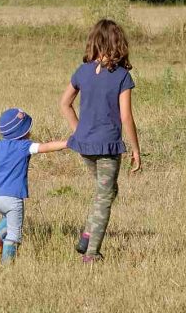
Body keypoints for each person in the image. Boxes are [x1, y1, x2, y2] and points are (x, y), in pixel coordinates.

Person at [59, 19, 141, 264]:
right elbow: (126, 116)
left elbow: (64, 104)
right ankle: (91, 253)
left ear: (94, 42)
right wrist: (136, 149)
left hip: (85, 147)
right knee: (104, 197)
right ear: (119, 44)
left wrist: (80, 131)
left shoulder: (82, 71)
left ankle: (87, 234)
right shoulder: (122, 76)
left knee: (106, 191)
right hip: (107, 147)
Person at [0, 108, 69, 264]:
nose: (30, 132)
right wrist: (68, 143)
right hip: (13, 198)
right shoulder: (24, 146)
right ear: (22, 132)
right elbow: (47, 147)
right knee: (14, 236)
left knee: (9, 221)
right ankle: (7, 268)